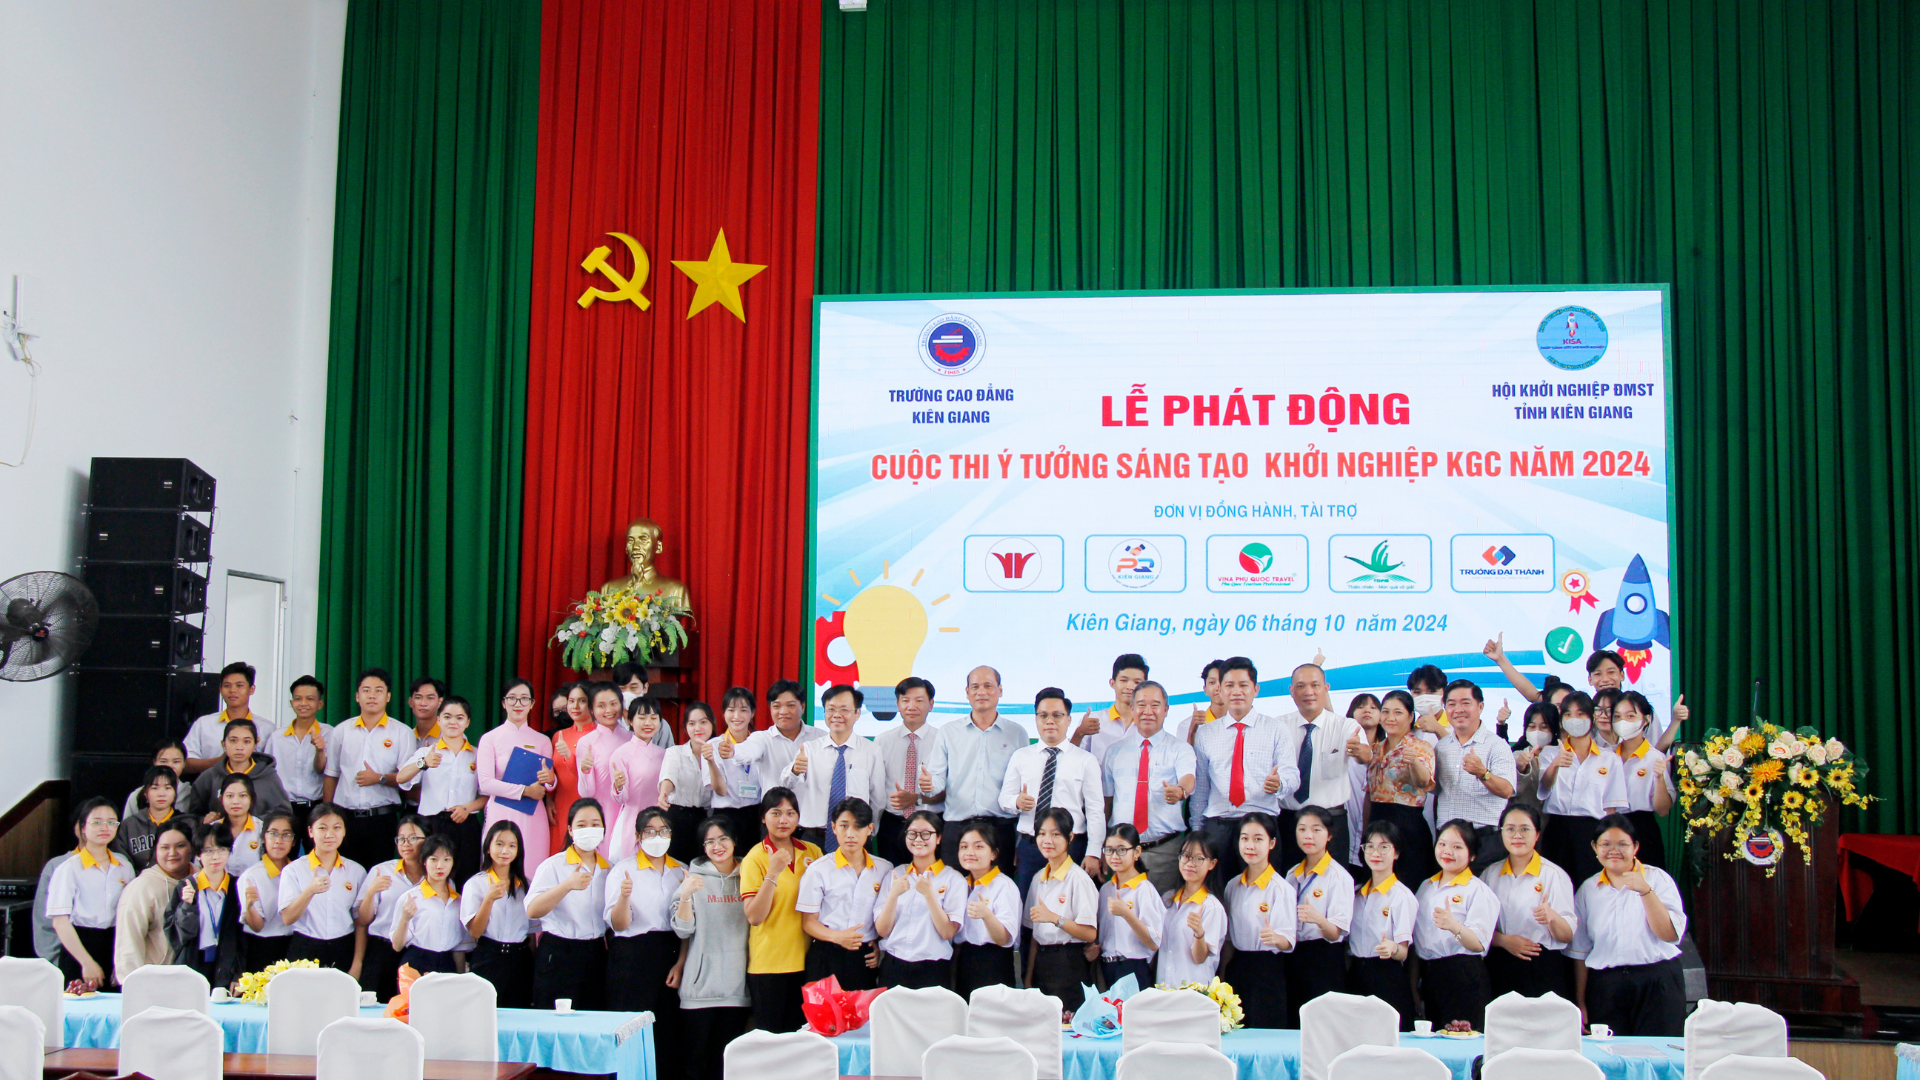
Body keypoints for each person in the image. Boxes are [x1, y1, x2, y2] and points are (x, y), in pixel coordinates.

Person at [1571, 814, 1688, 1036]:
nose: (1614, 850)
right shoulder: (1588, 889)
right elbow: (1580, 951)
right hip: (1607, 986)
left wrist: (1645, 891)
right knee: (1610, 1053)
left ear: (1635, 847)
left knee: (1657, 1051)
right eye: (1606, 844)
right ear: (1594, 847)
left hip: (1657, 981)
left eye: (1623, 844)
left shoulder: (1658, 879)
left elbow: (1670, 935)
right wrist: (1581, 1002)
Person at [1191, 657, 1298, 885]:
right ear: (1220, 690)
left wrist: (1280, 784)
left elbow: (1292, 775)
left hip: (1261, 825)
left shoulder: (1276, 729)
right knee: (1217, 894)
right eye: (1229, 685)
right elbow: (1201, 788)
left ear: (1255, 689)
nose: (1236, 691)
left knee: (1262, 895)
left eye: (1243, 685)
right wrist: (1197, 831)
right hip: (1218, 827)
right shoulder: (1206, 733)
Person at [605, 805, 688, 1078]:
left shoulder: (682, 870)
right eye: (650, 831)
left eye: (663, 830)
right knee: (631, 1028)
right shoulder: (623, 871)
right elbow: (618, 924)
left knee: (666, 1030)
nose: (657, 836)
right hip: (632, 956)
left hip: (669, 953)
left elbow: (687, 926)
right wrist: (624, 897)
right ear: (638, 836)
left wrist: (680, 963)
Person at [1002, 688, 1106, 893]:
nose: (1050, 721)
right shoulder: (1021, 756)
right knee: (1029, 907)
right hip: (1031, 847)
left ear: (1068, 719)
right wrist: (1016, 802)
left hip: (1071, 847)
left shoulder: (1085, 760)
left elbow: (1095, 810)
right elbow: (1004, 798)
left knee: (1068, 906)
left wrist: (1094, 852)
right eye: (1043, 715)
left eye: (1057, 715)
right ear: (1036, 719)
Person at [673, 817, 752, 1080]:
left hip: (737, 990)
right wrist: (686, 895)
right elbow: (683, 930)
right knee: (693, 1065)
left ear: (735, 841)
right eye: (710, 842)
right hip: (699, 991)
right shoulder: (692, 878)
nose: (717, 846)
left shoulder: (750, 876)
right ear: (703, 847)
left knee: (726, 1067)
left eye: (723, 839)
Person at [1099, 680, 1196, 894]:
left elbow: (1188, 778)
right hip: (1121, 852)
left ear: (1166, 709)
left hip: (1164, 851)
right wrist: (1102, 846)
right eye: (1141, 705)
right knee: (1120, 909)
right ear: (1132, 708)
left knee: (1161, 910)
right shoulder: (1114, 751)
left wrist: (1180, 791)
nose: (1148, 711)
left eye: (1155, 705)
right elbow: (1107, 802)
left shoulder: (1180, 749)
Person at [740, 787, 821, 1031]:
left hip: (807, 962)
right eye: (776, 813)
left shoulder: (812, 852)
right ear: (763, 818)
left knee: (802, 1038)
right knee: (772, 1040)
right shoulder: (755, 857)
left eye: (790, 813)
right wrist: (773, 873)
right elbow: (754, 916)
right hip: (769, 965)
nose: (783, 820)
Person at [1276, 664, 1371, 870]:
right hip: (1289, 821)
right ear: (1291, 691)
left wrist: (1359, 751)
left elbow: (1365, 756)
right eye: (1301, 686)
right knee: (1288, 881)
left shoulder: (1346, 725)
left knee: (1333, 882)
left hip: (1331, 822)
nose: (1308, 692)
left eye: (1315, 685)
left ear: (1326, 688)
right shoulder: (1278, 726)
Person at [933, 665, 1023, 874]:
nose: (981, 692)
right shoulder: (948, 732)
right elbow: (936, 781)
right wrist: (928, 785)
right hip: (957, 828)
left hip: (1000, 830)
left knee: (998, 891)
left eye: (988, 686)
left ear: (1000, 690)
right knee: (953, 890)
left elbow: (1021, 786)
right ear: (967, 692)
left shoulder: (1017, 733)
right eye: (975, 687)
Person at [1481, 801, 1576, 999]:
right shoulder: (1490, 874)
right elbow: (1478, 928)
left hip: (1541, 964)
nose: (1517, 835)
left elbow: (1566, 936)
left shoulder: (1554, 875)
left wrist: (1552, 917)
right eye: (1510, 829)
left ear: (1537, 834)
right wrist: (1504, 941)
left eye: (1525, 829)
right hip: (1500, 962)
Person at [1412, 820, 1500, 1029]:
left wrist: (1454, 926)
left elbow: (1478, 944)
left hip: (1463, 974)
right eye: (1442, 844)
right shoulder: (1426, 887)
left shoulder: (1477, 890)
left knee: (1463, 1037)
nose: (1447, 851)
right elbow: (1416, 942)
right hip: (1431, 973)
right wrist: (1414, 984)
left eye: (1457, 847)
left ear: (1472, 855)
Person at [527, 798, 612, 1009]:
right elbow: (532, 910)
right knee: (554, 1018)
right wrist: (567, 885)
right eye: (581, 825)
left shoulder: (610, 869)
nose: (589, 830)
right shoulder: (553, 865)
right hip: (559, 952)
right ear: (570, 831)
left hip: (595, 951)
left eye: (595, 824)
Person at [796, 797, 887, 991]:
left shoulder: (884, 869)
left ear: (870, 829)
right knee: (824, 1010)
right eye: (844, 826)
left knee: (863, 1010)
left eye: (858, 827)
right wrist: (837, 937)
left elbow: (886, 916)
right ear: (833, 828)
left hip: (864, 955)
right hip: (828, 951)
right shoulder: (818, 869)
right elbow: (808, 922)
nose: (850, 834)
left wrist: (878, 944)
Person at [323, 669, 411, 868]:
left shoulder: (402, 733)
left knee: (379, 875)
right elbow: (331, 775)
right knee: (344, 874)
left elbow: (407, 779)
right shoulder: (341, 731)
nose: (372, 695)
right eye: (366, 690)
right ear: (357, 696)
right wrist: (326, 815)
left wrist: (379, 778)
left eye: (378, 690)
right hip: (345, 818)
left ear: (388, 696)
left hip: (382, 819)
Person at [1539, 691, 1625, 884]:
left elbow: (1611, 808)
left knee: (1590, 883)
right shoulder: (1550, 753)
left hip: (1592, 829)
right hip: (1557, 826)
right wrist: (1555, 764)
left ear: (1592, 717)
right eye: (1568, 714)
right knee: (1555, 883)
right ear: (1562, 720)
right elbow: (1544, 788)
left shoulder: (1609, 759)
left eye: (1580, 714)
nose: (1574, 720)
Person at [785, 686, 884, 853]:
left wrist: (868, 832)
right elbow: (786, 785)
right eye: (831, 709)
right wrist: (794, 770)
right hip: (814, 838)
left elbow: (877, 798)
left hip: (855, 837)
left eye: (844, 710)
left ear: (857, 713)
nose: (836, 715)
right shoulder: (809, 749)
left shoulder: (871, 751)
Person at [398, 696, 486, 883]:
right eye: (447, 717)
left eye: (459, 718)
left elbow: (487, 795)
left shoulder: (477, 755)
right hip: (432, 824)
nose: (453, 722)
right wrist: (423, 763)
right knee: (432, 879)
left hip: (465, 823)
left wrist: (467, 808)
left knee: (465, 877)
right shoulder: (427, 752)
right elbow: (401, 778)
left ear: (468, 722)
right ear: (438, 720)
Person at [1430, 681, 1518, 870]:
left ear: (1480, 706)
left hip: (1485, 840)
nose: (1458, 710)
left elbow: (1507, 790)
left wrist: (1483, 773)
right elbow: (1435, 789)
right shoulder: (1442, 746)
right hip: (1447, 839)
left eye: (1465, 703)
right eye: (1452, 704)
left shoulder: (1497, 745)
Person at [875, 808, 965, 990]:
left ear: (938, 838)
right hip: (894, 965)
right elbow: (882, 930)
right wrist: (893, 895)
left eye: (926, 834)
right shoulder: (895, 874)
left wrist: (929, 895)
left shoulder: (953, 879)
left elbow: (948, 932)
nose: (918, 839)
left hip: (933, 968)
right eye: (912, 833)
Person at [48, 798, 132, 989]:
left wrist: (122, 959)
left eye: (111, 822)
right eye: (97, 822)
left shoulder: (124, 866)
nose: (105, 827)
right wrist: (86, 962)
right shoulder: (68, 869)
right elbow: (60, 922)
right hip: (80, 945)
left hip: (115, 942)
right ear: (83, 828)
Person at [1222, 811, 1295, 1027]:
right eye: (1244, 838)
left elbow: (1288, 941)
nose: (1250, 846)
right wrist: (1223, 972)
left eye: (1258, 839)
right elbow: (1228, 940)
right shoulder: (1233, 886)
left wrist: (1276, 938)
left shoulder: (1280, 888)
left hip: (1266, 968)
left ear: (1271, 843)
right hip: (1237, 965)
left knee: (1265, 1028)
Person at [278, 803, 368, 978]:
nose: (329, 834)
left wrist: (357, 963)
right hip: (305, 947)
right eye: (322, 828)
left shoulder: (356, 871)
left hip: (344, 947)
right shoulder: (294, 870)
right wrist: (309, 891)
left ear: (344, 831)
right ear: (310, 831)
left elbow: (361, 923)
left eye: (336, 828)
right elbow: (287, 918)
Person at [477, 678, 556, 873]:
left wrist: (551, 780)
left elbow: (548, 783)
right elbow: (485, 783)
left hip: (533, 813)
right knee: (499, 867)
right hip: (501, 811)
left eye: (524, 698)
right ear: (504, 703)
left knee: (532, 868)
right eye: (512, 698)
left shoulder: (542, 740)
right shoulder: (490, 738)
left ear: (532, 704)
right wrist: (525, 791)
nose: (518, 704)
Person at [1023, 808, 1098, 1012]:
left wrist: (1055, 919)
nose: (1047, 840)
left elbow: (1089, 933)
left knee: (1067, 1023)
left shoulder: (1078, 879)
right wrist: (1028, 978)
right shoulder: (1038, 878)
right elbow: (1034, 935)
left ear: (1070, 837)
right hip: (1042, 961)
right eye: (1042, 834)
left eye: (1056, 834)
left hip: (1069, 961)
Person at [1347, 820, 1418, 1030]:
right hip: (1356, 973)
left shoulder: (1402, 896)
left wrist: (1392, 947)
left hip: (1386, 974)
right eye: (1370, 846)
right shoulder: (1356, 893)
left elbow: (1404, 952)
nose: (1375, 853)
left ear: (1396, 853)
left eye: (1384, 847)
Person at [1286, 805, 1354, 1021]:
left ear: (1329, 835)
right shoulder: (1291, 874)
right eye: (1302, 829)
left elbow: (1335, 934)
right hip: (1294, 956)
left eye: (1316, 830)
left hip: (1324, 958)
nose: (1308, 836)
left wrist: (1319, 920)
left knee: (1323, 1024)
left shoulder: (1338, 876)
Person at [1367, 690, 1437, 886]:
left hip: (1407, 826)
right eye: (1386, 711)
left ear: (1411, 716)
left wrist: (1414, 762)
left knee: (1408, 885)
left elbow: (1424, 783)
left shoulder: (1420, 747)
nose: (1391, 718)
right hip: (1376, 824)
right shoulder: (1375, 749)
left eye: (1398, 712)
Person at [874, 678, 946, 866]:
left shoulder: (943, 740)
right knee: (892, 876)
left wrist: (916, 798)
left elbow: (952, 788)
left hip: (931, 824)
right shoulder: (882, 741)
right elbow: (875, 787)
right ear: (898, 704)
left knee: (930, 877)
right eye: (905, 700)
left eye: (919, 701)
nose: (911, 706)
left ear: (931, 704)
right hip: (892, 825)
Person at [357, 814, 429, 1000]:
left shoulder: (437, 875)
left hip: (417, 952)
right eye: (401, 839)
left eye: (413, 838)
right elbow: (363, 920)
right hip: (382, 950)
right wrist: (370, 892)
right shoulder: (381, 871)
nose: (406, 844)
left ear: (428, 840)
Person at [462, 820, 533, 1007]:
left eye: (512, 846)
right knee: (486, 1012)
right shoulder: (476, 884)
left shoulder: (526, 885)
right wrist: (489, 899)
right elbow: (475, 932)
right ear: (488, 848)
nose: (505, 851)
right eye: (499, 844)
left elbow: (532, 933)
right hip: (489, 957)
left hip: (520, 959)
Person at [115, 818, 196, 980]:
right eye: (165, 847)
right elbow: (128, 945)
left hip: (197, 980)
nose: (172, 853)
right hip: (154, 981)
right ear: (155, 851)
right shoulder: (141, 888)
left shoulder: (203, 879)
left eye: (180, 846)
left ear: (192, 848)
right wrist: (133, 984)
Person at [168, 822, 244, 989]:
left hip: (225, 967)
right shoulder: (187, 886)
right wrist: (187, 907)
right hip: (192, 965)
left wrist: (239, 973)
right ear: (198, 854)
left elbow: (242, 935)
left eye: (222, 849)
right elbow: (178, 936)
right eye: (208, 851)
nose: (216, 857)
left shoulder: (237, 887)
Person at [1092, 823, 1163, 991]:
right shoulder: (1106, 889)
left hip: (1133, 966)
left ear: (1137, 852)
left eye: (1122, 850)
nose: (1114, 856)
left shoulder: (1144, 889)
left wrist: (1127, 914)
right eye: (1109, 850)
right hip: (1107, 965)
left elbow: (1154, 942)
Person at [389, 834, 472, 975]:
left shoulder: (458, 902)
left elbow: (459, 950)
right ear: (424, 861)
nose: (440, 866)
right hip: (417, 962)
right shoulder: (411, 897)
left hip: (447, 963)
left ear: (453, 863)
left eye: (446, 860)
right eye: (434, 859)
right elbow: (397, 946)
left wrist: (460, 977)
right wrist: (404, 918)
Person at [953, 823, 1020, 999]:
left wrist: (987, 915)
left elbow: (1003, 939)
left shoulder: (1004, 886)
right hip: (964, 958)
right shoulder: (959, 884)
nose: (970, 852)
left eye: (979, 846)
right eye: (964, 847)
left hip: (993, 962)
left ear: (993, 854)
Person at [1612, 692, 1674, 871]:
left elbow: (1663, 810)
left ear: (1646, 719)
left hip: (1643, 829)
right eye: (1617, 717)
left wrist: (1659, 778)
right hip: (1611, 827)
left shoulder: (1655, 758)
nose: (1623, 722)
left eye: (1630, 716)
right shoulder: (1607, 756)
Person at [575, 684, 637, 857]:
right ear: (592, 710)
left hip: (629, 811)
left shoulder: (632, 738)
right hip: (603, 814)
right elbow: (586, 793)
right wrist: (585, 771)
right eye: (601, 706)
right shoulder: (586, 743)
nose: (609, 710)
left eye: (613, 704)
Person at [1158, 832, 1227, 988]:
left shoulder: (1212, 907)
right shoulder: (1168, 899)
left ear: (1212, 864)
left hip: (1194, 991)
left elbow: (1200, 958)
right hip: (1164, 987)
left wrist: (1199, 934)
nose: (1190, 863)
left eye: (1198, 859)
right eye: (1186, 856)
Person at [730, 681, 827, 792]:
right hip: (775, 803)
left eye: (790, 705)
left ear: (803, 707)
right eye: (776, 706)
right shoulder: (763, 738)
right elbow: (748, 751)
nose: (783, 712)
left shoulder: (820, 737)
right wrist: (733, 751)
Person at [265, 676, 330, 840]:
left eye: (310, 699)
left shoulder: (330, 733)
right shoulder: (277, 737)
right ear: (291, 702)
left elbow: (321, 770)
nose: (303, 703)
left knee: (315, 854)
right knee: (283, 852)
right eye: (298, 699)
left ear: (320, 704)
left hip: (315, 808)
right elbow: (268, 775)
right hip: (284, 808)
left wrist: (320, 750)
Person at [659, 701, 723, 864]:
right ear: (685, 727)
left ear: (712, 724)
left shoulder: (721, 754)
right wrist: (664, 792)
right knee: (676, 867)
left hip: (706, 819)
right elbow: (669, 777)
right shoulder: (675, 752)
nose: (698, 728)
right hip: (677, 818)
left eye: (703, 722)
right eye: (692, 723)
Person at [191, 718, 292, 818]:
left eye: (246, 741)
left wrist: (257, 822)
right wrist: (207, 820)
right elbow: (193, 816)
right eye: (233, 741)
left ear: (256, 743)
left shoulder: (268, 777)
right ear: (223, 744)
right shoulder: (210, 777)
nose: (239, 747)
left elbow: (284, 814)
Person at [238, 809, 298, 972]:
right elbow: (257, 926)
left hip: (294, 945)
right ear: (264, 837)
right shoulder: (252, 875)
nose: (279, 840)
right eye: (273, 833)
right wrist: (249, 906)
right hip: (263, 947)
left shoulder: (299, 871)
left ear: (294, 841)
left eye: (286, 835)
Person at [709, 687, 767, 848]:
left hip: (755, 815)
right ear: (723, 713)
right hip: (725, 815)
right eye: (731, 710)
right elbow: (719, 790)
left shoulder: (762, 744)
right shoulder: (713, 746)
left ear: (752, 713)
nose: (737, 716)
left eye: (743, 710)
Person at [183, 662, 259, 775]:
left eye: (239, 685)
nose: (232, 690)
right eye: (227, 685)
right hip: (211, 784)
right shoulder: (204, 724)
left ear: (251, 689)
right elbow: (186, 763)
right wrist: (220, 761)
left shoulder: (266, 728)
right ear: (220, 689)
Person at [1072, 653, 1149, 762]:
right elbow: (1071, 761)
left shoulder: (1149, 723)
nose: (1130, 686)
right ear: (1112, 683)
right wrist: (1079, 733)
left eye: (1137, 682)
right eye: (1124, 680)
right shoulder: (1094, 721)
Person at [549, 682, 595, 854]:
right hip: (560, 806)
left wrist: (570, 757)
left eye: (582, 701)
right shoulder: (559, 736)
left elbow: (592, 777)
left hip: (584, 806)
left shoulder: (598, 736)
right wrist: (549, 799)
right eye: (571, 701)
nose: (575, 706)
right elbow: (554, 772)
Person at [118, 766, 182, 872]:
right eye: (155, 788)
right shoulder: (129, 826)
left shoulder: (188, 823)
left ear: (175, 793)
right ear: (145, 793)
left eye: (167, 788)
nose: (161, 794)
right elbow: (121, 862)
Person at [1343, 693, 1382, 868]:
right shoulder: (1343, 745)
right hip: (1347, 820)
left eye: (1374, 708)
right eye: (1360, 707)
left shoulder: (1388, 749)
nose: (1367, 710)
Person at [123, 741, 196, 822]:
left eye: (176, 762)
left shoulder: (192, 794)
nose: (169, 766)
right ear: (154, 762)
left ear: (184, 763)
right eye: (163, 761)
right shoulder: (137, 794)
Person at [209, 774, 264, 875]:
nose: (235, 802)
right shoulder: (211, 830)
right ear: (221, 799)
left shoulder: (262, 829)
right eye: (230, 796)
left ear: (251, 799)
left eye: (242, 796)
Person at [1510, 700, 1560, 806]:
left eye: (1544, 727)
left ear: (1554, 729)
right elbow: (1511, 790)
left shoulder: (1562, 757)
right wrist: (1521, 768)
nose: (1537, 731)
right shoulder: (1517, 756)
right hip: (1525, 815)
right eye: (1532, 727)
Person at [1182, 659, 1229, 744]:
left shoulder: (1242, 723)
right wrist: (1192, 732)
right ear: (1205, 689)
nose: (1218, 687)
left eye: (1223, 681)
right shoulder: (1186, 725)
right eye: (1212, 682)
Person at [402, 677, 448, 747]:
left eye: (430, 698)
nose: (423, 703)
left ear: (440, 702)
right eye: (418, 698)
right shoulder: (407, 736)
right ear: (410, 702)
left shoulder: (451, 735)